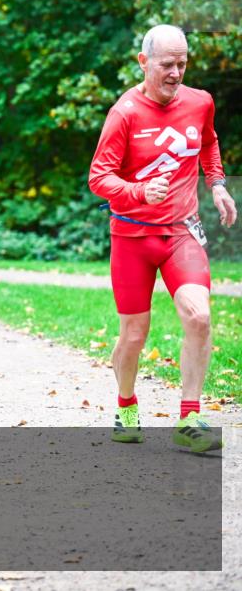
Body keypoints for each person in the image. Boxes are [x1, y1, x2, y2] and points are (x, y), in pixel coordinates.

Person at [88, 24, 236, 453]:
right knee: (134, 335)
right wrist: (138, 191)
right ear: (143, 62)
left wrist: (217, 184)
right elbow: (98, 177)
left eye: (182, 64)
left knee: (199, 317)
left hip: (181, 233)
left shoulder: (200, 102)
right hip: (132, 238)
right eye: (167, 64)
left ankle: (189, 418)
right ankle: (126, 405)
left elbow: (208, 142)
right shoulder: (125, 113)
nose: (175, 73)